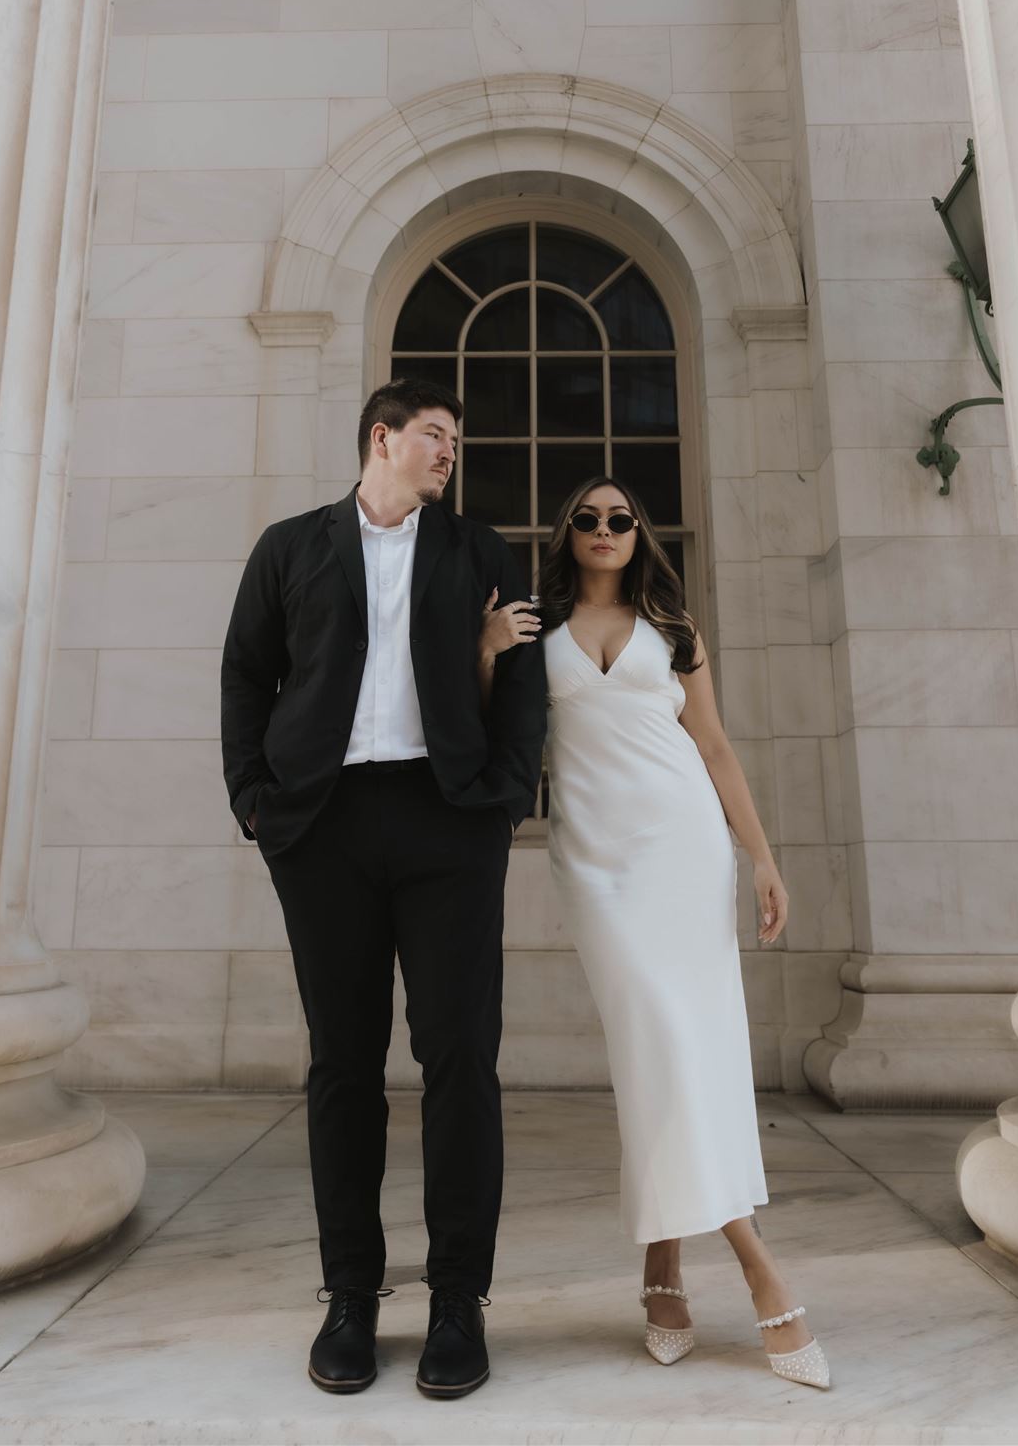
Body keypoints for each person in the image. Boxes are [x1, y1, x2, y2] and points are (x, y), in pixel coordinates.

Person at [220, 380, 544, 1401]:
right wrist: (255, 803)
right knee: (343, 1064)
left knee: (458, 1055)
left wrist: (503, 797)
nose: (450, 451)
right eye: (436, 435)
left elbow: (523, 670)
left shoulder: (476, 550)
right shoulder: (291, 546)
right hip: (323, 825)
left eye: (455, 437)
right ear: (383, 438)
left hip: (448, 819)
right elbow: (245, 674)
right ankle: (351, 1293)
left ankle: (458, 1298)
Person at [479, 476, 831, 1390]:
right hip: (596, 865)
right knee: (657, 1045)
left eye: (620, 519)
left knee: (676, 1056)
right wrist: (485, 653)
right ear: (568, 534)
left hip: (684, 850)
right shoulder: (531, 629)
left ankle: (664, 1270)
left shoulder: (675, 631)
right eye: (587, 518)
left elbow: (713, 747)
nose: (604, 529)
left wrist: (760, 857)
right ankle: (761, 1272)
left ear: (640, 535)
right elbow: (495, 727)